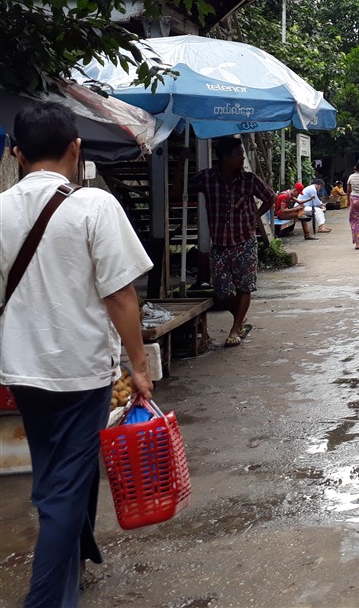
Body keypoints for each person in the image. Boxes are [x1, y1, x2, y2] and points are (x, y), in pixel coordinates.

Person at [0, 102, 155, 606]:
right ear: (76, 148)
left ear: (17, 153)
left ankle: (78, 552)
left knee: (59, 471)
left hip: (21, 369)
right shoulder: (95, 206)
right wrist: (139, 364)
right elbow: (121, 294)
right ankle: (46, 599)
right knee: (62, 487)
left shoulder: (0, 210)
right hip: (80, 370)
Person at [190, 135, 275, 347]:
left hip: (245, 242)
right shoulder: (208, 178)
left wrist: (256, 216)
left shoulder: (249, 180)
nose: (243, 158)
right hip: (219, 244)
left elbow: (270, 197)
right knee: (222, 292)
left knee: (245, 287)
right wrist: (183, 160)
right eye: (239, 154)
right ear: (226, 157)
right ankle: (240, 316)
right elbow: (179, 189)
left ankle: (236, 328)